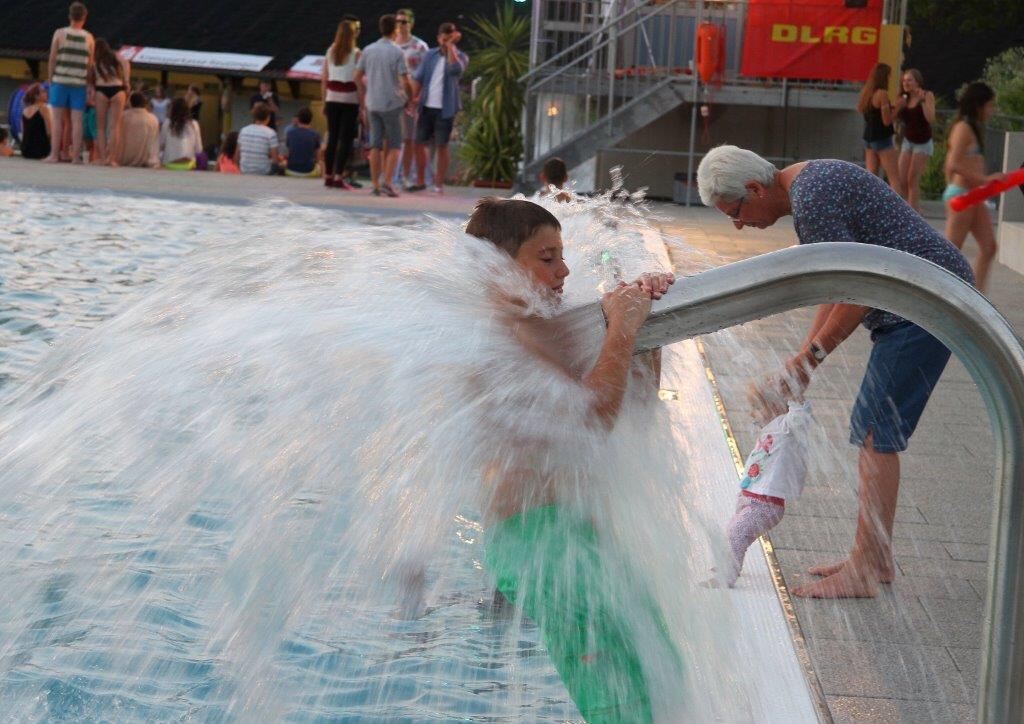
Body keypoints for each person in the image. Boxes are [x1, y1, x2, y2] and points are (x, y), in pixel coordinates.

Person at [697, 145, 974, 598]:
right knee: (873, 428)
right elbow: (835, 283)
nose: (738, 224)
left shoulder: (814, 197)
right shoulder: (811, 183)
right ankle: (875, 559)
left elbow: (856, 289)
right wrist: (801, 364)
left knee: (875, 432)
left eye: (736, 212)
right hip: (919, 299)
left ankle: (866, 568)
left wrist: (807, 362)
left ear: (753, 188)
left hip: (925, 304)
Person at [465, 197, 679, 722]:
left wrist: (648, 326)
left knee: (659, 671)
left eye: (561, 254)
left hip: (575, 532)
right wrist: (622, 330)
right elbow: (592, 420)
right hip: (538, 540)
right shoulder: (496, 338)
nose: (564, 270)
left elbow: (639, 402)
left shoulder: (546, 324)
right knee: (620, 699)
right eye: (547, 257)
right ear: (498, 266)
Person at [723, 398, 811, 587]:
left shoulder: (785, 426)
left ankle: (727, 574)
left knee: (737, 533)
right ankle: (729, 562)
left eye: (756, 407)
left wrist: (795, 392)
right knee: (733, 532)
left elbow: (800, 416)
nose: (752, 413)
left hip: (766, 504)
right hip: (749, 497)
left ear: (776, 405)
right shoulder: (769, 427)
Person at [944, 82, 1002, 293]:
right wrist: (984, 180)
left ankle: (978, 299)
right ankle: (939, 297)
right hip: (963, 196)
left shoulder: (972, 128)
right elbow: (953, 164)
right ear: (979, 105)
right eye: (989, 105)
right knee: (950, 254)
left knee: (989, 247)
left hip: (973, 195)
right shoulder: (962, 128)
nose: (991, 110)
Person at [354, 13, 414, 197]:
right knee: (395, 144)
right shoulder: (397, 52)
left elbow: (356, 77)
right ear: (395, 29)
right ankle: (387, 182)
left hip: (372, 103)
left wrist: (363, 98)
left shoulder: (368, 49)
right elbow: (405, 80)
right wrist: (409, 98)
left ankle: (375, 185)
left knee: (375, 145)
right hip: (392, 103)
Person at [409, 22, 467, 195]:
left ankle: (438, 184)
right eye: (444, 37)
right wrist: (412, 99)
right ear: (438, 37)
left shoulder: (460, 56)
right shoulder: (429, 55)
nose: (445, 40)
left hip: (445, 109)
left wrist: (450, 47)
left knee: (442, 146)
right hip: (426, 106)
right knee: (419, 143)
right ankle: (420, 181)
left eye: (449, 37)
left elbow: (455, 71)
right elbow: (418, 77)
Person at [45, 1, 94, 164]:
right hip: (79, 83)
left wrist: (51, 78)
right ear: (85, 17)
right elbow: (89, 64)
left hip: (60, 80)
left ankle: (54, 155)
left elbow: (52, 58)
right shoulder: (89, 38)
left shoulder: (59, 33)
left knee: (57, 120)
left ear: (69, 16)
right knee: (77, 121)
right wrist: (87, 83)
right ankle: (75, 157)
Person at [321, 17, 361, 189]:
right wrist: (362, 103)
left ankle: (328, 175)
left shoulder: (331, 51)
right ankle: (339, 175)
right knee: (345, 139)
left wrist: (324, 100)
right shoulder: (357, 53)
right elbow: (358, 80)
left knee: (332, 137)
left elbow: (324, 78)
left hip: (331, 97)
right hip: (349, 99)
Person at [857, 63, 903, 198]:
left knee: (871, 176)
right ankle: (898, 210)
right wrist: (899, 107)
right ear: (884, 77)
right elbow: (887, 120)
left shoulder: (866, 92)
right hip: (882, 138)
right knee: (894, 177)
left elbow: (863, 110)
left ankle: (869, 204)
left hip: (868, 138)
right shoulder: (882, 94)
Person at [394, 8, 428, 187]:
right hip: (391, 98)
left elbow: (426, 74)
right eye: (398, 21)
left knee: (408, 140)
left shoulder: (420, 47)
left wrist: (418, 96)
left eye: (404, 21)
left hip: (411, 100)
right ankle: (386, 178)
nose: (400, 25)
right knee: (388, 139)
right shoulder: (390, 44)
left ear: (411, 23)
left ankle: (406, 176)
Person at [893, 69, 935, 213]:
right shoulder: (903, 98)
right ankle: (910, 207)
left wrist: (923, 101)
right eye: (904, 80)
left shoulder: (927, 95)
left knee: (912, 178)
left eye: (909, 80)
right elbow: (892, 119)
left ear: (917, 82)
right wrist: (898, 106)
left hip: (923, 142)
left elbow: (930, 118)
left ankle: (913, 212)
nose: (906, 83)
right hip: (908, 140)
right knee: (902, 177)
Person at [89, 38, 130, 165]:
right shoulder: (119, 58)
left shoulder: (94, 61)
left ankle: (102, 158)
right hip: (118, 89)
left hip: (101, 89)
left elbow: (91, 80)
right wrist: (126, 85)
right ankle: (112, 159)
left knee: (100, 127)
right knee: (114, 127)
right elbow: (126, 78)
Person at [237, 102, 283, 175]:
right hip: (263, 172)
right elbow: (275, 160)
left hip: (244, 170)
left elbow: (237, 156)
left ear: (254, 116)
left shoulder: (243, 131)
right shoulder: (271, 133)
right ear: (268, 117)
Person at [116, 91, 159, 168]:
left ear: (131, 103)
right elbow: (154, 145)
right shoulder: (153, 119)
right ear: (145, 104)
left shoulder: (122, 117)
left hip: (122, 159)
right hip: (144, 161)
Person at [160, 96, 203, 169]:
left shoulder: (167, 123)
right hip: (188, 165)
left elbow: (161, 145)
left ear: (172, 110)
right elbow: (199, 150)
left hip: (169, 165)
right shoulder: (194, 124)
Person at [285, 107, 322, 176]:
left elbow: (288, 154)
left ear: (298, 119)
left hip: (290, 171)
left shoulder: (289, 133)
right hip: (309, 172)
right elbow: (318, 158)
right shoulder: (315, 135)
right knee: (321, 163)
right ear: (311, 120)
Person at [19, 83, 53, 160]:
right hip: (40, 150)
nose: (46, 93)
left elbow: (23, 132)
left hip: (25, 150)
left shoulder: (24, 110)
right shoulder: (43, 108)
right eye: (43, 91)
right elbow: (49, 132)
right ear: (36, 96)